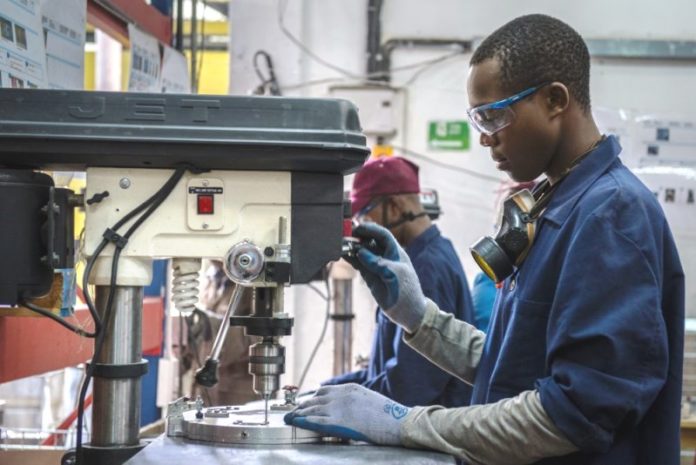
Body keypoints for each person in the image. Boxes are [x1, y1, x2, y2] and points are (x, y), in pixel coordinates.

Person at [285, 14, 684, 465]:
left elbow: (575, 412)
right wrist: (419, 318)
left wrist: (406, 422)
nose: (484, 139)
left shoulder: (611, 214)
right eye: (477, 119)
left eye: (494, 116)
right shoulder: (555, 205)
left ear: (555, 100)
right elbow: (516, 367)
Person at [322, 155, 475, 408]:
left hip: (426, 432)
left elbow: (412, 384)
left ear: (393, 207)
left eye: (363, 216)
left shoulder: (425, 268)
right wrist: (327, 389)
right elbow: (382, 371)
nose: (360, 226)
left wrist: (343, 401)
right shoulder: (420, 258)